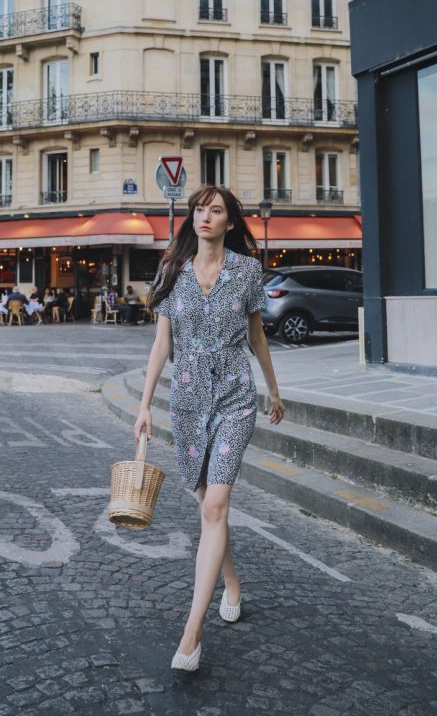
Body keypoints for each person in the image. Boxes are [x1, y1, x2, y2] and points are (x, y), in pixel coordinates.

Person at [134, 184, 285, 673]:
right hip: (188, 400)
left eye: (216, 210)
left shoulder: (246, 272)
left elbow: (257, 336)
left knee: (217, 504)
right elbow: (161, 345)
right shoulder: (172, 271)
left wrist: (274, 391)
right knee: (208, 507)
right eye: (200, 209)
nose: (205, 216)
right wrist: (144, 406)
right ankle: (233, 582)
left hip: (236, 397)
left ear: (230, 222)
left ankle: (192, 632)